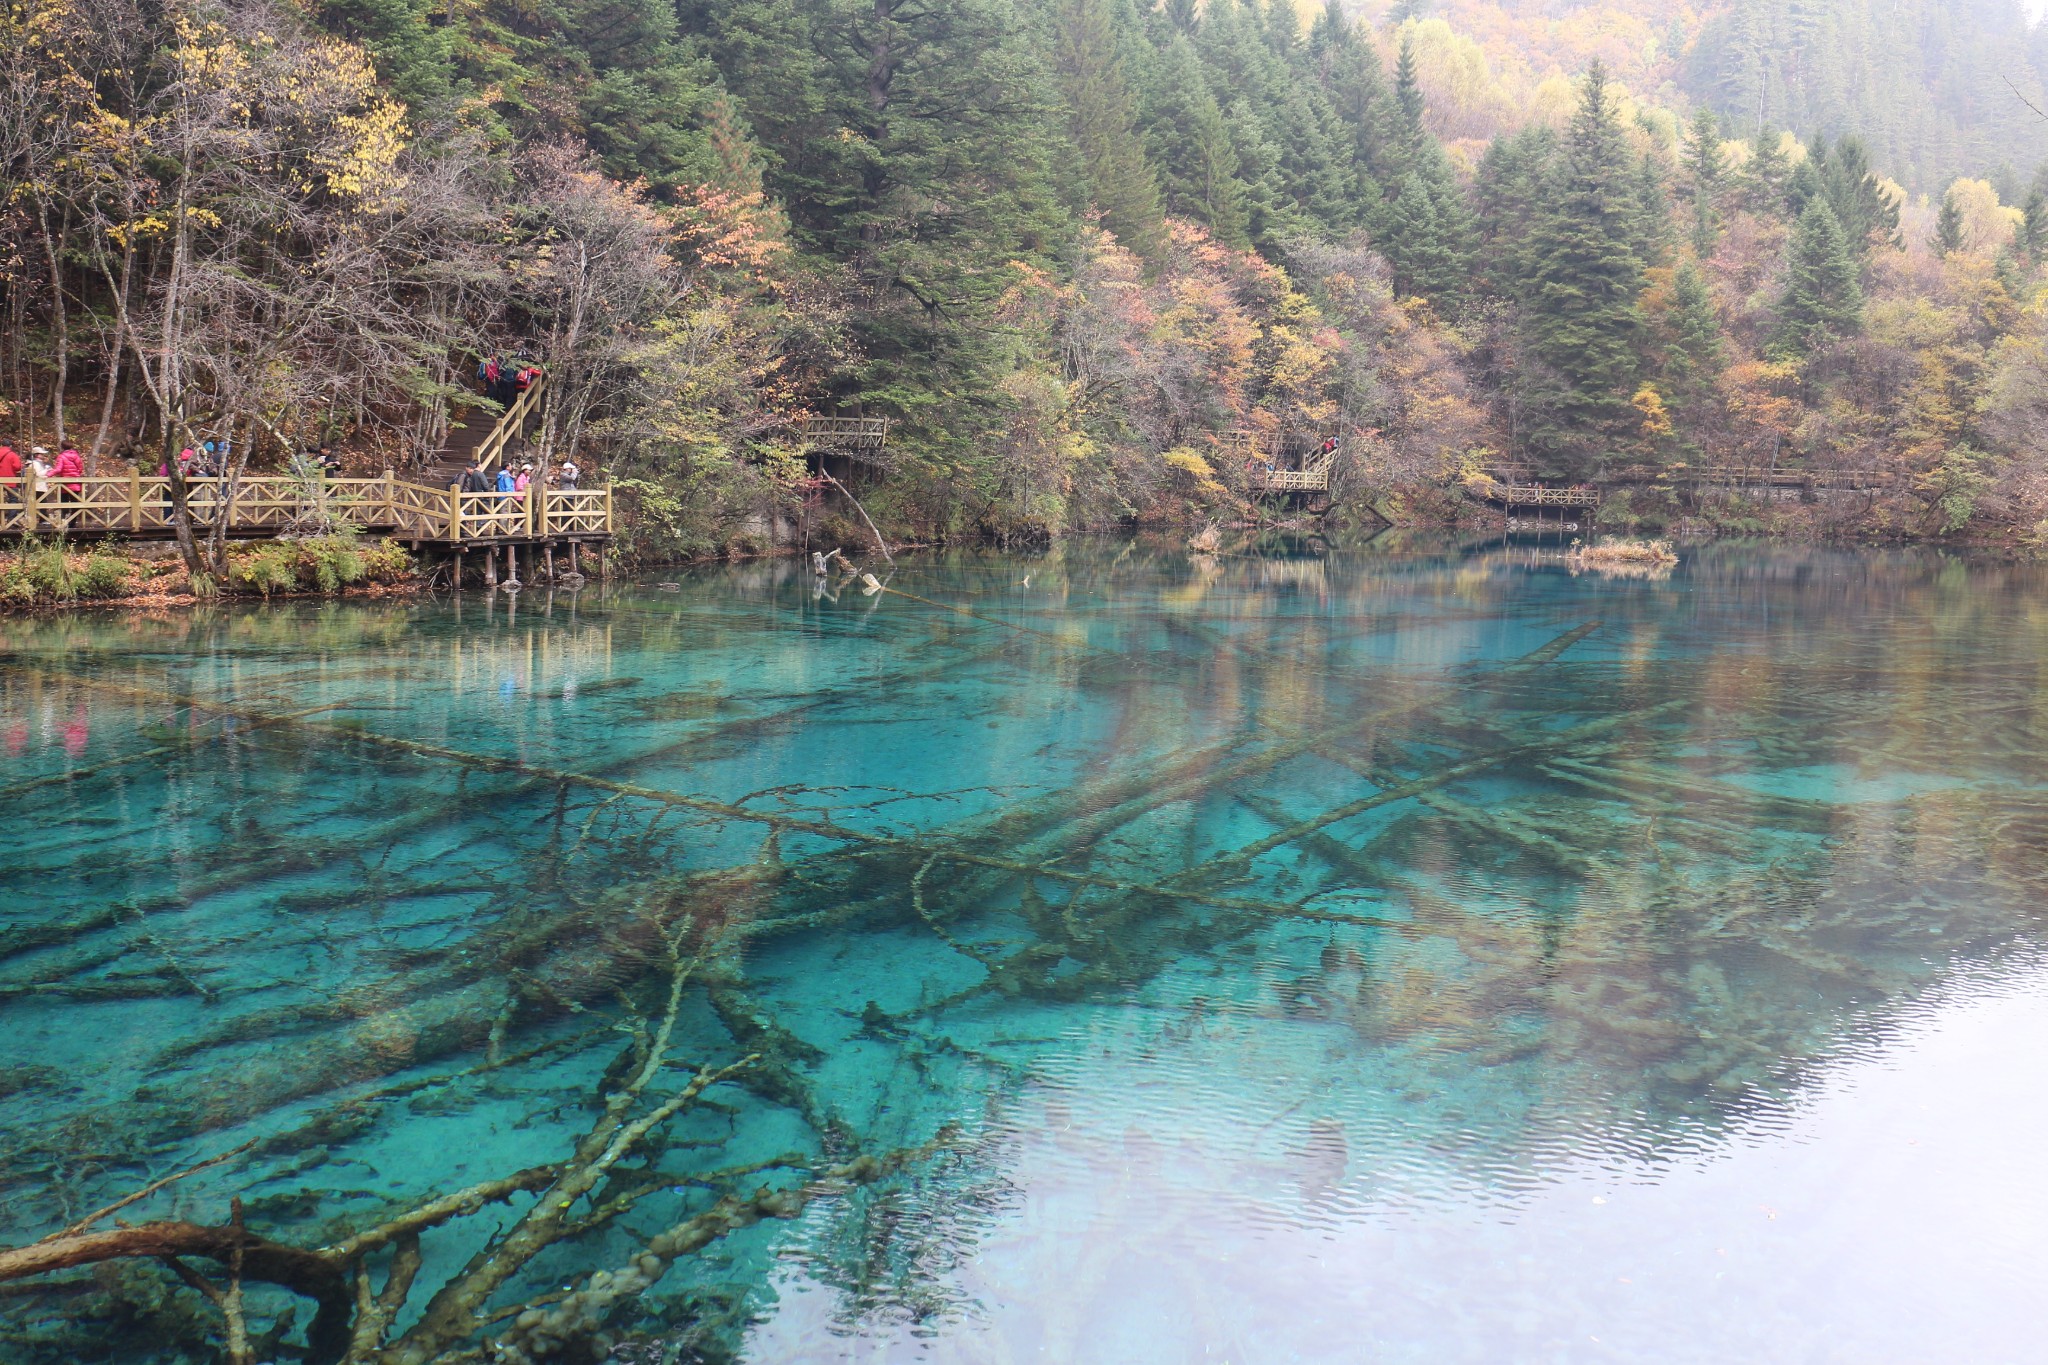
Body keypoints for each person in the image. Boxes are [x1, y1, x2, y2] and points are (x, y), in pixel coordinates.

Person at [0, 441, 19, 506]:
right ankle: (12, 516)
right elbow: (17, 466)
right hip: (10, 479)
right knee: (13, 499)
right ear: (10, 446)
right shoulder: (12, 454)